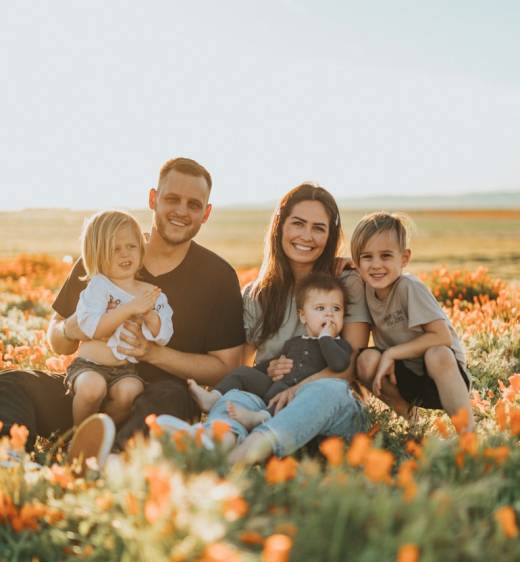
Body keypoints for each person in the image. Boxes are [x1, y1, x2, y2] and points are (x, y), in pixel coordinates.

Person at [0, 157, 245, 457]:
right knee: (12, 384)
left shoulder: (217, 276)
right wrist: (70, 328)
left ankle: (109, 459)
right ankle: (10, 460)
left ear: (206, 213)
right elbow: (57, 340)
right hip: (87, 391)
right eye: (172, 199)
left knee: (172, 398)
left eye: (193, 204)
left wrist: (153, 353)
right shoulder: (106, 254)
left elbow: (226, 369)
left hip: (154, 402)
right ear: (153, 199)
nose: (181, 211)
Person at [156, 182, 371, 465]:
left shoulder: (345, 283)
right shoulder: (257, 294)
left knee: (325, 390)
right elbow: (238, 365)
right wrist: (265, 370)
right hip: (269, 402)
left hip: (329, 409)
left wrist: (297, 388)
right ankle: (215, 442)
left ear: (330, 236)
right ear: (280, 226)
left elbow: (348, 370)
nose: (307, 236)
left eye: (319, 228)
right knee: (237, 396)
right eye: (298, 224)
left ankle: (242, 456)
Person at [351, 211, 474, 430]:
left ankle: (468, 433)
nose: (376, 265)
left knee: (438, 353)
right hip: (404, 377)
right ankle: (412, 421)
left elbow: (442, 337)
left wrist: (391, 353)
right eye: (367, 257)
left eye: (386, 256)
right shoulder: (366, 290)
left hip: (442, 377)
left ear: (404, 258)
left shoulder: (409, 288)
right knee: (364, 360)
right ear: (357, 263)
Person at [188, 272, 352, 430]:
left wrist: (325, 338)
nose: (329, 314)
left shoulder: (339, 346)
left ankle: (260, 417)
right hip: (274, 386)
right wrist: (266, 369)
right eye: (320, 308)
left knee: (283, 399)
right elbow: (271, 363)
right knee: (243, 372)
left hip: (300, 397)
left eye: (336, 309)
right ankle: (213, 398)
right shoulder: (294, 342)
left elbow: (338, 364)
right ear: (303, 316)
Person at [66, 210, 173, 426]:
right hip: (89, 365)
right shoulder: (98, 286)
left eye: (131, 246)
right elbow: (92, 328)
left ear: (141, 249)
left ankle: (105, 434)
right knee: (92, 388)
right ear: (97, 254)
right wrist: (129, 308)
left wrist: (151, 317)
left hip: (125, 369)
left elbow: (164, 334)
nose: (125, 254)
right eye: (115, 249)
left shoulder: (152, 293)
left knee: (130, 391)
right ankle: (77, 436)